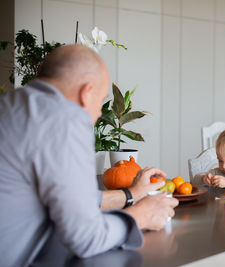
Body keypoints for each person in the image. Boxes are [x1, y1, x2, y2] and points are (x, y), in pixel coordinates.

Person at [0, 44, 178, 267]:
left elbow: (72, 199)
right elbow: (85, 238)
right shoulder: (65, 117)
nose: (100, 113)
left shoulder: (13, 104)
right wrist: (141, 216)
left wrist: (133, 193)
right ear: (86, 92)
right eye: (101, 100)